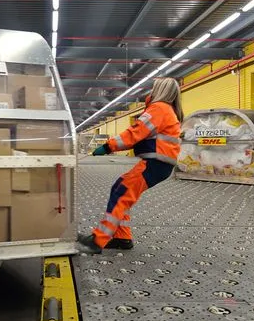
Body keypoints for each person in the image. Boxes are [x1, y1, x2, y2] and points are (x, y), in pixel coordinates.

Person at [76, 77, 183, 254]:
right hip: (159, 164)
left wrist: (108, 146)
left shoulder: (159, 108)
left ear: (160, 90)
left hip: (155, 164)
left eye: (153, 88)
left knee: (121, 193)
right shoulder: (166, 109)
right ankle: (122, 237)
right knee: (120, 189)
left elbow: (135, 133)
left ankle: (97, 241)